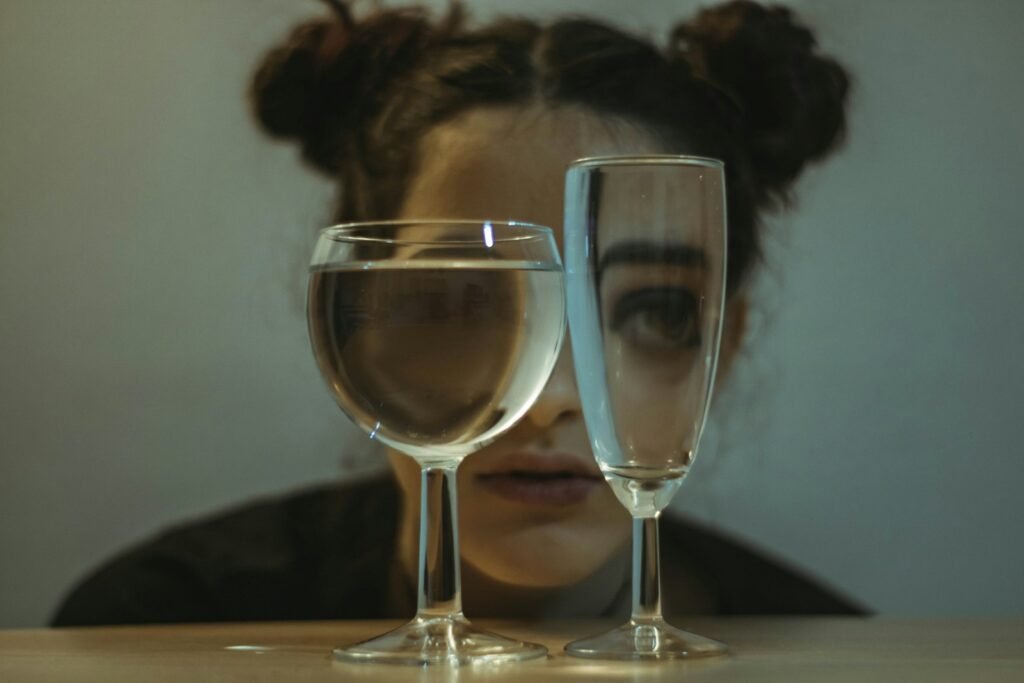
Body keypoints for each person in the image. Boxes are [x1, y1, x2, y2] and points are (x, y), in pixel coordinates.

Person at [52, 0, 863, 626]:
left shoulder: (838, 649)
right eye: (461, 300)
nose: (549, 398)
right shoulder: (156, 624)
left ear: (724, 348)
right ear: (358, 333)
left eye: (653, 310)